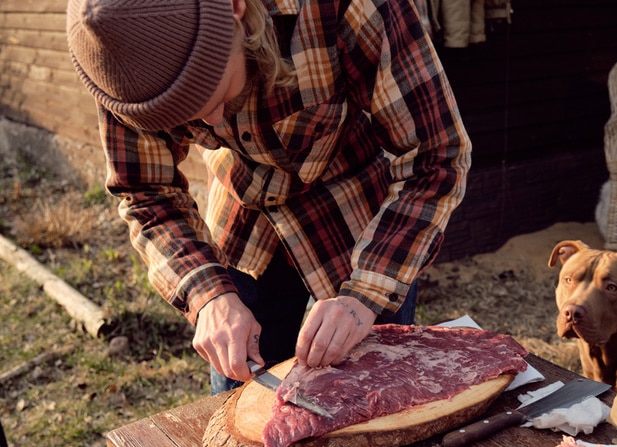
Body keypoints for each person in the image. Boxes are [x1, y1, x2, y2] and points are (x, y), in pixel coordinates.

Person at [66, 0, 470, 394]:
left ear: (234, 9)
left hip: (357, 217)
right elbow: (144, 191)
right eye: (182, 117)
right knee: (240, 400)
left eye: (215, 93)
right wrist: (208, 295)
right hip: (245, 226)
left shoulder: (349, 6)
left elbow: (435, 157)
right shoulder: (115, 55)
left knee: (376, 397)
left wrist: (365, 295)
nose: (212, 122)